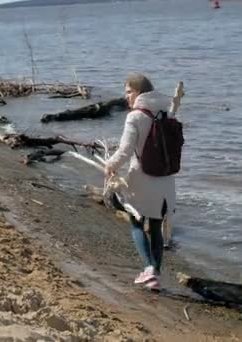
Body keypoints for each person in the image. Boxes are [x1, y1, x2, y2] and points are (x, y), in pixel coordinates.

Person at [104, 73, 176, 290]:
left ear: (138, 92)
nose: (126, 97)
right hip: (165, 179)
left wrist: (110, 165)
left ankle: (149, 270)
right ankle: (155, 274)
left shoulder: (134, 116)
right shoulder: (167, 111)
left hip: (142, 176)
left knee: (136, 221)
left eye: (128, 92)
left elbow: (125, 151)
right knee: (155, 226)